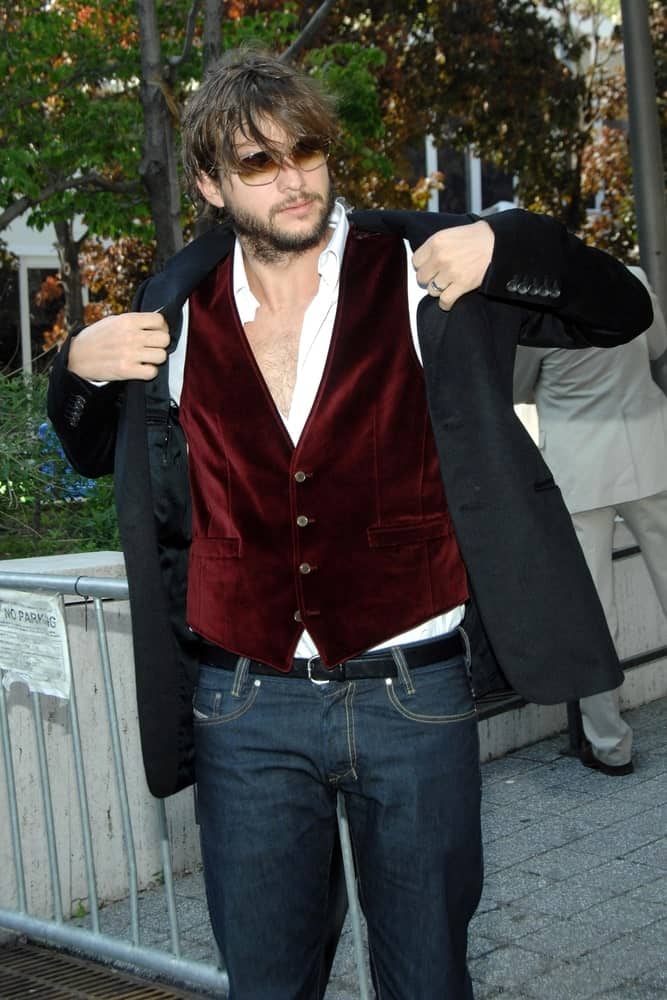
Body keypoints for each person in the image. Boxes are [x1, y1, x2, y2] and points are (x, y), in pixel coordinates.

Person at [47, 46, 653, 1000]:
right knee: (268, 981)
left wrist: (515, 246)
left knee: (426, 978)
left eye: (308, 149)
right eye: (257, 162)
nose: (292, 179)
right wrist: (77, 367)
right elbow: (87, 450)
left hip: (412, 694)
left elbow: (619, 311)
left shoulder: (423, 274)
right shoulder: (174, 314)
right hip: (243, 705)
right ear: (210, 181)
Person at [514, 269, 667, 777]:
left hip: (581, 469)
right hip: (650, 451)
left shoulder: (543, 299)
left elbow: (516, 384)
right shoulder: (634, 278)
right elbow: (656, 345)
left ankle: (610, 746)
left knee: (593, 611)